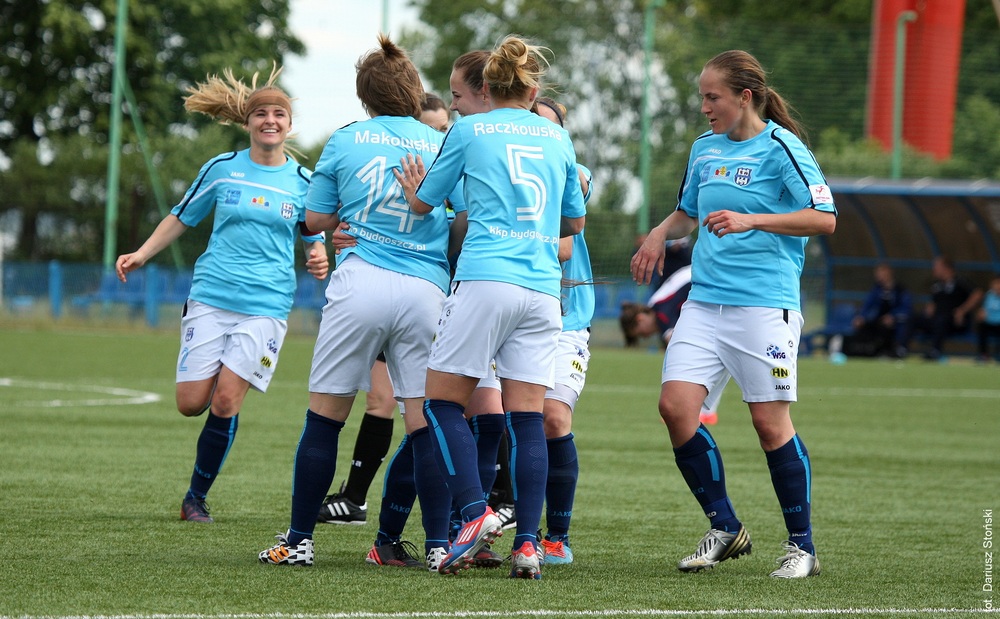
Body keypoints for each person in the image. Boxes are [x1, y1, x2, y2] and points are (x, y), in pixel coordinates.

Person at [258, 34, 464, 569]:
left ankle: (299, 541)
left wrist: (347, 217)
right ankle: (439, 546)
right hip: (426, 290)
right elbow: (462, 217)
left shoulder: (346, 138)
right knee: (424, 421)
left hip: (360, 283)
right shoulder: (441, 141)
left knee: (326, 415)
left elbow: (315, 219)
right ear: (414, 90)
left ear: (365, 96)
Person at [631, 49, 837, 579]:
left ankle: (802, 548)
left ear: (744, 97)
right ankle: (724, 527)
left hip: (764, 306)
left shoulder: (782, 147)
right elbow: (687, 212)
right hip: (704, 304)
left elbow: (824, 218)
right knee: (676, 408)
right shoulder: (704, 148)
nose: (704, 107)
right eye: (702, 97)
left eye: (712, 97)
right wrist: (658, 234)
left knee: (769, 424)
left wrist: (752, 219)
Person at [394, 35, 586, 579]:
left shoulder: (469, 130)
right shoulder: (557, 137)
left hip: (485, 280)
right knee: (527, 420)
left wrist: (414, 190)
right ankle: (527, 546)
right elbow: (574, 221)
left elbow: (425, 202)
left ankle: (475, 513)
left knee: (439, 404)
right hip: (543, 290)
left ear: (487, 88)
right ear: (532, 91)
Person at [114, 65, 329, 524]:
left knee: (226, 400)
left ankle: (195, 498)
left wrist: (318, 257)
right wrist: (142, 254)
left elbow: (313, 235)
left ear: (289, 124)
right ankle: (223, 372)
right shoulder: (221, 168)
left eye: (279, 114)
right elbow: (181, 216)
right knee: (190, 403)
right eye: (261, 114)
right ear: (247, 121)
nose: (270, 121)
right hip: (211, 296)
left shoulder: (304, 182)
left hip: (266, 305)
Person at [316, 92, 456, 528]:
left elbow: (465, 222)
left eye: (441, 130)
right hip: (399, 288)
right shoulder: (394, 161)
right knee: (382, 400)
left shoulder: (453, 162)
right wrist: (349, 228)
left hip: (447, 292)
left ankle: (477, 510)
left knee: (465, 411)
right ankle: (358, 501)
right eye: (428, 128)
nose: (432, 137)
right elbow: (338, 213)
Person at [532, 96, 593, 566]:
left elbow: (565, 248)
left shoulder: (572, 172)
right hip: (506, 309)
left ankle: (557, 535)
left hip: (564, 318)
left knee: (553, 417)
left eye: (552, 128)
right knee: (497, 421)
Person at [902, 256, 983, 360]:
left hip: (954, 322)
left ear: (946, 268)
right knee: (913, 318)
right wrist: (930, 308)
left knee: (942, 320)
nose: (934, 270)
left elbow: (978, 294)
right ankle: (902, 349)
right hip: (937, 320)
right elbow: (934, 302)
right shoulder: (937, 286)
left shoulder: (960, 282)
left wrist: (962, 310)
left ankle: (935, 351)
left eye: (936, 267)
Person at [848, 263, 911, 358]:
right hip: (878, 320)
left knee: (898, 326)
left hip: (895, 322)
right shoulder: (876, 289)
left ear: (889, 273)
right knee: (864, 326)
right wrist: (861, 317)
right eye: (878, 274)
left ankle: (896, 350)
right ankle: (863, 351)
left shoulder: (900, 290)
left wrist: (893, 316)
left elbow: (906, 308)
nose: (880, 277)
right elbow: (867, 305)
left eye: (882, 274)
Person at [976, 274, 1000, 362]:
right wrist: (981, 314)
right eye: (995, 284)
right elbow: (983, 310)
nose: (997, 286)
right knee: (981, 327)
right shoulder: (989, 295)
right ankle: (983, 355)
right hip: (989, 323)